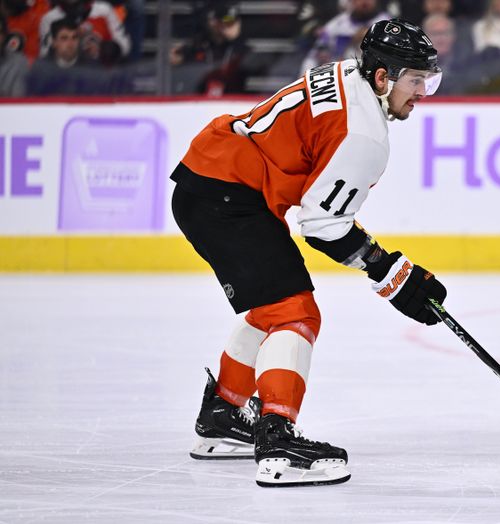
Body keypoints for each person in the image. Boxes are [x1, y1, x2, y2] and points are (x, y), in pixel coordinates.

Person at [171, 19, 447, 487]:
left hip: (214, 178)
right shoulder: (365, 136)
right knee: (295, 313)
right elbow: (321, 226)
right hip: (229, 195)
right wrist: (390, 272)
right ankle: (277, 441)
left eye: (428, 80)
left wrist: (389, 271)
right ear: (382, 77)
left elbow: (319, 205)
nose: (422, 92)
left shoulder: (346, 72)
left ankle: (223, 415)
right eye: (414, 80)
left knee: (271, 305)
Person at [170, 3, 252, 95]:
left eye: (234, 21)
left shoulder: (243, 50)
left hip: (232, 101)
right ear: (213, 23)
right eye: (226, 21)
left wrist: (236, 39)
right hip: (199, 99)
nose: (232, 26)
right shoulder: (198, 46)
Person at [26, 16, 110, 95]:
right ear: (54, 42)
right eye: (64, 38)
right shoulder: (40, 69)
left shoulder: (93, 67)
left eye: (74, 38)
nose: (70, 44)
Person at [39, 0, 130, 66]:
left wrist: (104, 49)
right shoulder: (49, 18)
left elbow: (124, 45)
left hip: (101, 72)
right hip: (66, 75)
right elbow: (45, 53)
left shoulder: (104, 10)